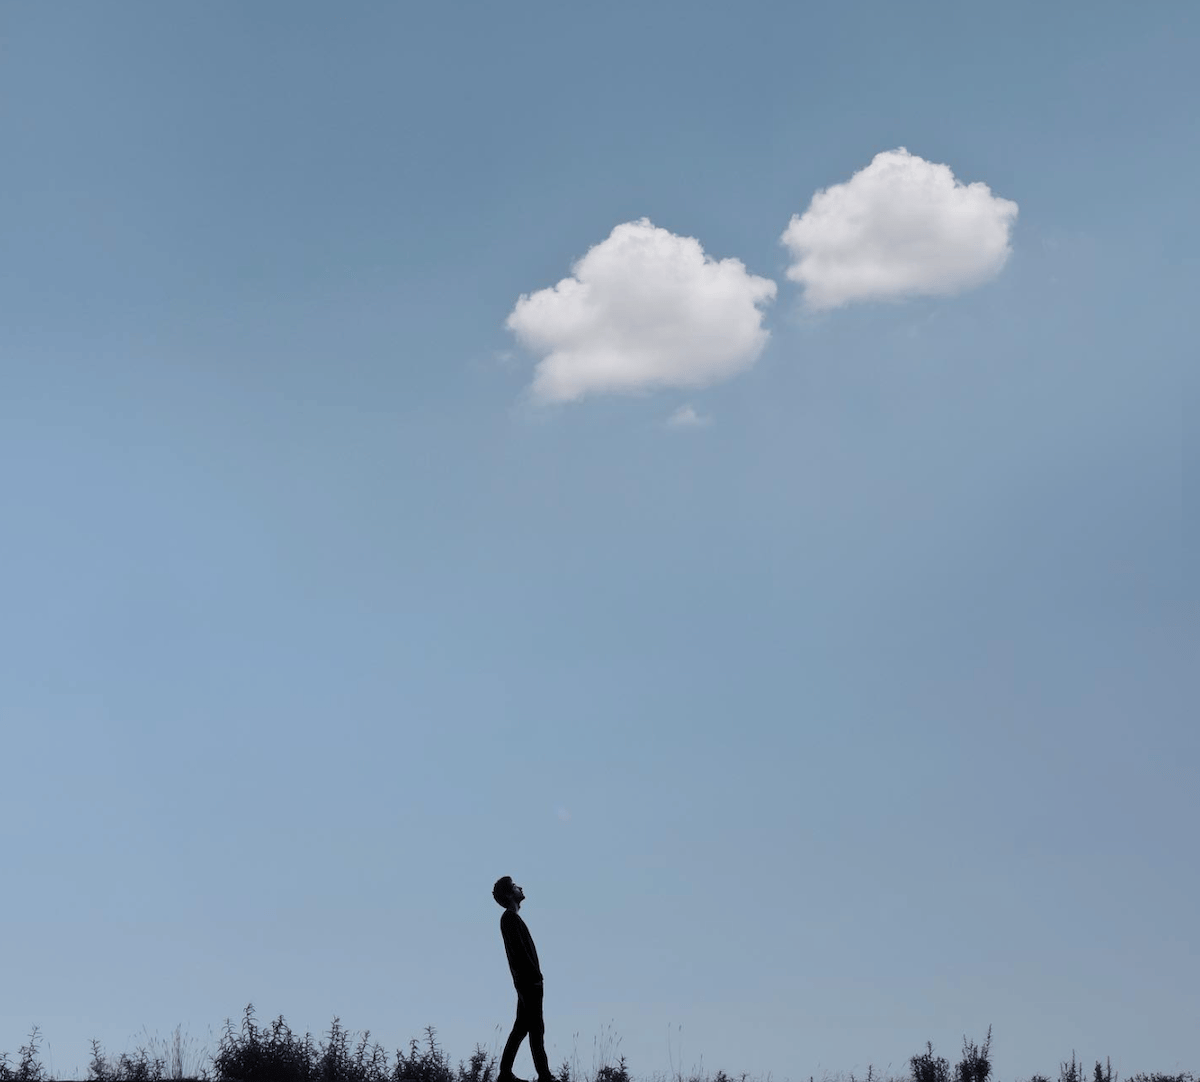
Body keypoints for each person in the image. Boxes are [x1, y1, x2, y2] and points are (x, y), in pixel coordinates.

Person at [493, 876, 553, 1082]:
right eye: (515, 886)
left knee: (522, 1027)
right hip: (529, 982)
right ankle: (544, 1076)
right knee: (536, 1028)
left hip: (528, 981)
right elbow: (518, 953)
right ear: (510, 894)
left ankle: (505, 1073)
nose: (520, 887)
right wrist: (533, 978)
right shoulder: (509, 918)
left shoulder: (512, 918)